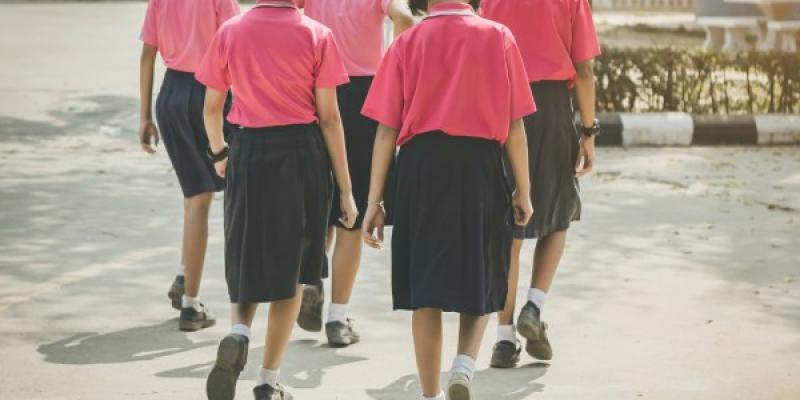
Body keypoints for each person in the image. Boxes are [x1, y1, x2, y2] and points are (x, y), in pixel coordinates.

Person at [360, 1, 534, 399]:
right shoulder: (498, 37)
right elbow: (515, 124)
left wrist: (375, 201)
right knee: (485, 272)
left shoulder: (408, 42)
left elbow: (386, 130)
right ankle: (463, 365)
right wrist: (523, 189)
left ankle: (429, 394)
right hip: (480, 166)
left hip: (421, 168)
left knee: (426, 288)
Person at [195, 1, 358, 399]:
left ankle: (239, 331)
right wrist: (346, 189)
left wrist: (220, 154)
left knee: (248, 250)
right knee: (296, 271)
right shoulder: (317, 35)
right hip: (301, 154)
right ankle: (268, 381)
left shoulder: (231, 31)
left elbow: (211, 108)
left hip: (248, 150)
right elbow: (330, 117)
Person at [481, 0, 601, 368]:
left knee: (510, 226)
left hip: (505, 105)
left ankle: (503, 340)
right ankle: (534, 305)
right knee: (559, 213)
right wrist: (588, 130)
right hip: (551, 106)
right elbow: (584, 68)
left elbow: (481, 54)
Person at [295, 0, 415, 347]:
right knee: (353, 213)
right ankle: (337, 316)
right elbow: (405, 18)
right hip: (366, 93)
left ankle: (314, 274)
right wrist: (392, 62)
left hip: (317, 90)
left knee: (321, 199)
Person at [138, 0, 240, 331]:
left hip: (170, 96)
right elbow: (235, 45)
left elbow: (147, 56)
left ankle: (185, 274)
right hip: (210, 94)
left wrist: (144, 117)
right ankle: (191, 305)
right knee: (207, 196)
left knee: (195, 193)